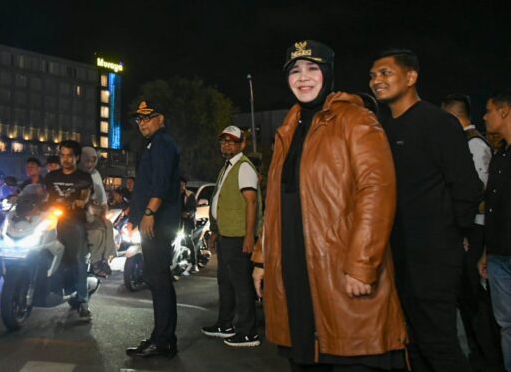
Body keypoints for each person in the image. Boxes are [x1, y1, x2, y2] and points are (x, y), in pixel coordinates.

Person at [253, 40, 407, 370]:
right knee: (305, 357)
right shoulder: (287, 129)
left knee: (349, 356)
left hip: (340, 270)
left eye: (312, 69)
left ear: (327, 74)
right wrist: (263, 259)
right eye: (295, 71)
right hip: (296, 272)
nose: (303, 77)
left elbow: (377, 191)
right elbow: (276, 202)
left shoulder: (355, 120)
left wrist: (362, 264)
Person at [369, 48, 482, 370]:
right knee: (409, 344)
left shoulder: (438, 123)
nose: (377, 81)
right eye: (373, 75)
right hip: (394, 257)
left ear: (411, 77)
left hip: (433, 258)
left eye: (385, 73)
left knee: (439, 344)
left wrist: (449, 236)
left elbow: (467, 187)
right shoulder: (381, 129)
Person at [442, 94, 502, 369]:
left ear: (453, 117)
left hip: (477, 229)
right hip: (474, 229)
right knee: (469, 298)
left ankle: (488, 357)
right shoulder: (470, 142)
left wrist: (464, 229)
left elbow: (480, 192)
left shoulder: (475, 144)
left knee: (476, 298)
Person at [125, 99, 181, 359]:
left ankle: (163, 340)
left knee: (159, 281)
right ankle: (163, 338)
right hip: (152, 222)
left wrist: (148, 214)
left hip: (157, 224)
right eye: (139, 119)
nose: (142, 122)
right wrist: (134, 215)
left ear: (162, 119)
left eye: (148, 117)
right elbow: (146, 186)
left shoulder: (162, 144)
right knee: (157, 280)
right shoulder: (153, 145)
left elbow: (160, 184)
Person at [204, 126, 261, 347]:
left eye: (232, 141)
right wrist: (216, 231)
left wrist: (249, 236)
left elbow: (251, 202)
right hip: (227, 234)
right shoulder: (228, 166)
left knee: (241, 284)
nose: (226, 145)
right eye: (223, 141)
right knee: (225, 282)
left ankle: (248, 332)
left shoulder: (244, 167)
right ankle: (225, 324)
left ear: (242, 144)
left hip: (238, 236)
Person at [43, 140, 94, 321]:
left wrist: (79, 202)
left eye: (69, 156)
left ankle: (83, 301)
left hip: (73, 221)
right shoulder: (50, 177)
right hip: (50, 221)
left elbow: (85, 196)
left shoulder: (83, 177)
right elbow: (43, 196)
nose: (65, 159)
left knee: (78, 259)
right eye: (62, 155)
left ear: (77, 157)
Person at [479, 89, 511, 371]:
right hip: (500, 254)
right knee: (506, 325)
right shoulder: (500, 156)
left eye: (489, 110)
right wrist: (487, 252)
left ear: (504, 111)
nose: (485, 116)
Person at [80, 146, 115, 277]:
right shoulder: (77, 174)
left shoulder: (95, 174)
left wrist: (103, 208)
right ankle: (96, 262)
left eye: (93, 161)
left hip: (95, 209)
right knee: (97, 229)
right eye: (87, 160)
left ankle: (104, 260)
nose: (90, 164)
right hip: (81, 211)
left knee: (108, 225)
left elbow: (101, 196)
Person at [179, 177, 198, 275]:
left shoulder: (190, 195)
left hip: (188, 222)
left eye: (181, 184)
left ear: (185, 185)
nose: (180, 186)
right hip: (177, 223)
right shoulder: (174, 195)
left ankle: (194, 263)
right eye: (178, 185)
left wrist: (188, 213)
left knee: (188, 239)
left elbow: (193, 209)